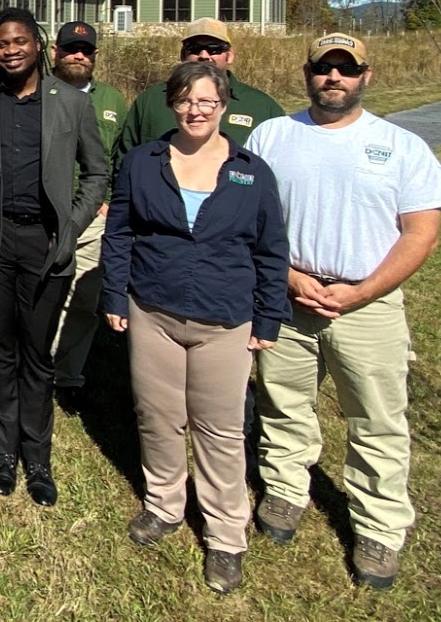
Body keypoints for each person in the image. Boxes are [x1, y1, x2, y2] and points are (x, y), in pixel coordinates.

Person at [247, 33, 441, 590]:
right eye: (323, 68)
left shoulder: (401, 145)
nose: (333, 78)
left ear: (366, 75)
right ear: (307, 72)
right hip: (289, 298)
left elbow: (421, 233)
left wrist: (362, 292)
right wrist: (289, 277)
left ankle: (380, 527)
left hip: (367, 304)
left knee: (377, 418)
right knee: (283, 402)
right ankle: (286, 491)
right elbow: (249, 217)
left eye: (346, 68)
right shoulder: (273, 135)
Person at [102, 61, 290, 595]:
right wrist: (116, 294)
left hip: (225, 317)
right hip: (153, 309)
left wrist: (269, 314)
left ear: (224, 107)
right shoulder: (144, 162)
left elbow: (271, 248)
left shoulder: (251, 171)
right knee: (157, 416)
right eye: (185, 100)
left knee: (220, 426)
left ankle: (226, 536)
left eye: (207, 101)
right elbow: (121, 232)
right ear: (172, 104)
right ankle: (164, 504)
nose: (196, 110)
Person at [0, 8, 108, 507]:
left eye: (20, 40)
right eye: (1, 43)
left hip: (46, 246)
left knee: (36, 356)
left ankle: (37, 458)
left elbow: (98, 173)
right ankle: (3, 450)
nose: (12, 49)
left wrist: (71, 227)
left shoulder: (70, 104)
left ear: (39, 45)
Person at [48, 20, 130, 412]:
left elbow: (121, 158)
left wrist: (110, 200)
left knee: (82, 299)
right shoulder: (37, 91)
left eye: (85, 49)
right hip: (44, 212)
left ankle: (66, 373)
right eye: (70, 48)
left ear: (94, 56)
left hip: (94, 215)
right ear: (55, 52)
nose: (77, 55)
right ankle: (33, 366)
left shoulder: (112, 100)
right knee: (35, 293)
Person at [114, 18, 284, 163]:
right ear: (182, 54)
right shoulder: (150, 101)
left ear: (229, 55)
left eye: (214, 48)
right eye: (194, 48)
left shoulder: (262, 107)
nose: (204, 55)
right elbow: (125, 160)